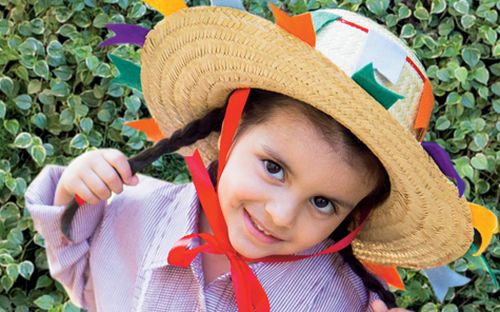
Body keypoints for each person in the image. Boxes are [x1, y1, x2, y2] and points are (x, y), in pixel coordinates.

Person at [24, 2, 473, 312]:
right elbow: (83, 281)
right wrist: (74, 197)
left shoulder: (336, 300)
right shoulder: (136, 211)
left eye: (323, 203)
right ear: (230, 132)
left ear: (355, 215)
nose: (279, 216)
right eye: (273, 168)